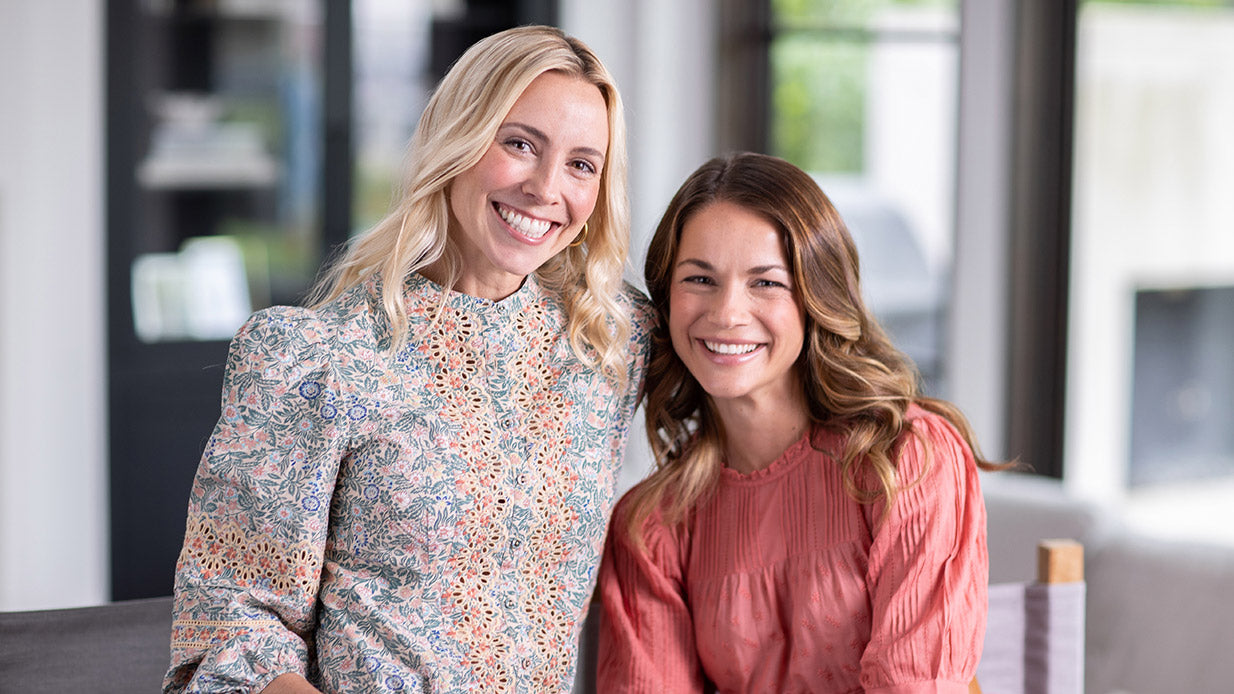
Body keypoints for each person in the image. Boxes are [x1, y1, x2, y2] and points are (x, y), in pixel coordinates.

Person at [165, 26, 653, 694]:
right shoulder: (316, 359)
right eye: (519, 144)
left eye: (581, 165)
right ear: (456, 140)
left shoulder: (609, 342)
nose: (546, 188)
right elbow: (232, 624)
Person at [597, 152, 1000, 693]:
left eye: (765, 283)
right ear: (667, 298)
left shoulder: (905, 460)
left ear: (816, 298)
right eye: (700, 278)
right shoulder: (652, 527)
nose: (726, 314)